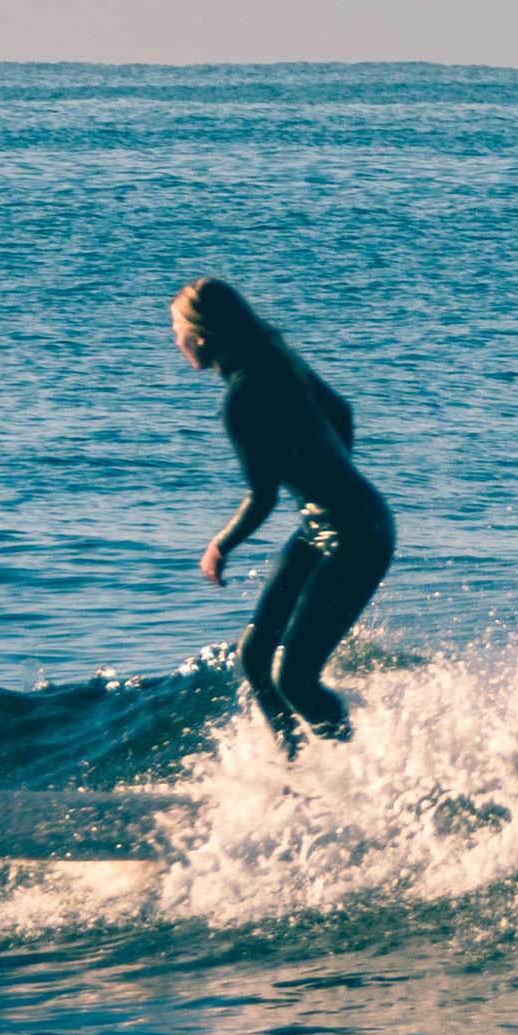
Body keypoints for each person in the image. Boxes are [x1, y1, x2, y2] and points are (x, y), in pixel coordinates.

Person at [174, 278, 395, 751]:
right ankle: (294, 759)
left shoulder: (242, 398)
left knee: (295, 679)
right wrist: (330, 473)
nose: (176, 341)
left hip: (355, 537)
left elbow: (262, 497)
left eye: (178, 330)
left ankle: (353, 767)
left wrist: (219, 547)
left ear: (202, 335)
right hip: (331, 525)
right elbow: (343, 413)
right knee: (254, 658)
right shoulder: (278, 361)